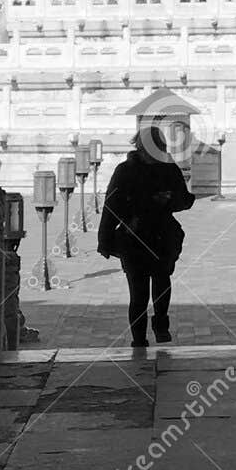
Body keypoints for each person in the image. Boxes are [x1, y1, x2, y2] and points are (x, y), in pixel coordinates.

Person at [97, 125, 195, 349]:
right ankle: (138, 339)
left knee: (162, 281)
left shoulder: (169, 169)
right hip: (135, 236)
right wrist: (105, 239)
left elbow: (184, 200)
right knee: (138, 293)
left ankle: (161, 326)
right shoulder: (125, 170)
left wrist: (168, 200)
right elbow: (112, 206)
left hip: (162, 235)